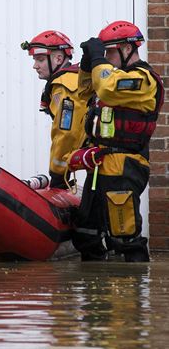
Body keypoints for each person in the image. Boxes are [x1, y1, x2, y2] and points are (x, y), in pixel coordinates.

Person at [69, 21, 163, 262]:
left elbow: (109, 89)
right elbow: (84, 92)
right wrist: (88, 65)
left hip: (125, 166)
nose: (107, 57)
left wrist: (99, 60)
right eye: (105, 52)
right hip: (101, 164)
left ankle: (131, 290)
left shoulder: (143, 79)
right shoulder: (110, 76)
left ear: (128, 49)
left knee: (124, 236)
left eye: (110, 51)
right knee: (86, 233)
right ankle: (96, 292)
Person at [20, 30, 89, 189]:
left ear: (58, 58)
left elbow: (66, 132)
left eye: (40, 60)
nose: (35, 66)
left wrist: (58, 173)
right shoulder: (75, 79)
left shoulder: (63, 85)